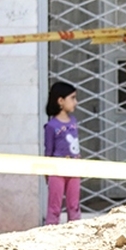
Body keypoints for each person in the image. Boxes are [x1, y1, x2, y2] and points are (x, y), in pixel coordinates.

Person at [43, 81, 82, 225]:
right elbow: (48, 150)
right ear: (60, 101)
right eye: (72, 98)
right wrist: (47, 171)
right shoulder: (51, 126)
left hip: (74, 169)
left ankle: (76, 233)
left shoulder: (73, 122)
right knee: (54, 206)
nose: (75, 102)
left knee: (74, 205)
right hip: (57, 170)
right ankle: (50, 233)